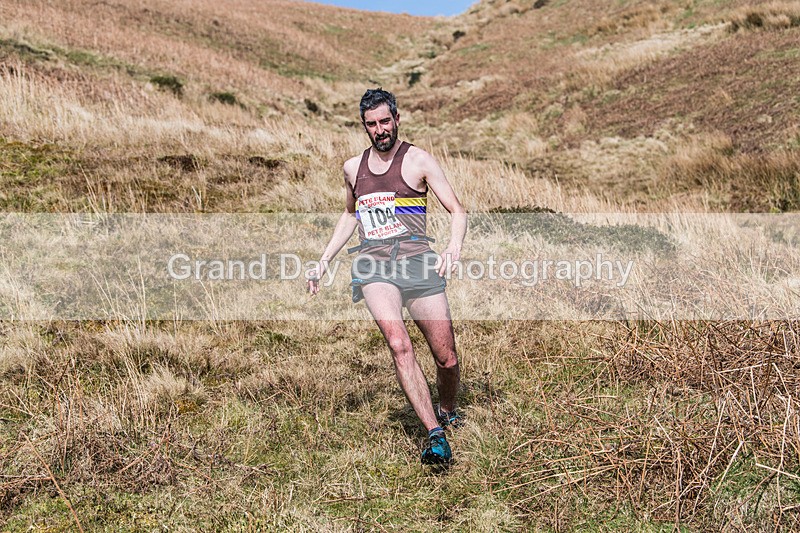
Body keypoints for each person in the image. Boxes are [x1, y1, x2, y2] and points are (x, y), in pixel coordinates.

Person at [307, 88, 467, 465]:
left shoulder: (418, 161)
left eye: (384, 121)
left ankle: (446, 408)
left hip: (418, 264)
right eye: (371, 124)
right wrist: (324, 260)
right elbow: (350, 214)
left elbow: (457, 210)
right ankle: (434, 433)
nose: (379, 130)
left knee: (446, 359)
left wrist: (452, 248)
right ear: (365, 126)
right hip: (374, 267)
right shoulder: (352, 168)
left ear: (396, 119)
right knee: (398, 344)